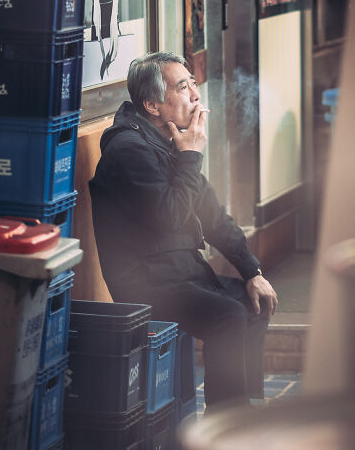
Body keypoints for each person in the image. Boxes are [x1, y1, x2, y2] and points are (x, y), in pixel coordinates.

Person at [89, 51, 278, 411]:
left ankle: (245, 413)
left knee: (254, 304)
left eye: (193, 82)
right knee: (228, 315)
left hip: (180, 272)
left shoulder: (169, 142)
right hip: (145, 281)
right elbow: (170, 217)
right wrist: (191, 155)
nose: (195, 93)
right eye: (182, 86)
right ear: (153, 104)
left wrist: (252, 271)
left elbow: (213, 215)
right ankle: (227, 425)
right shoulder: (129, 150)